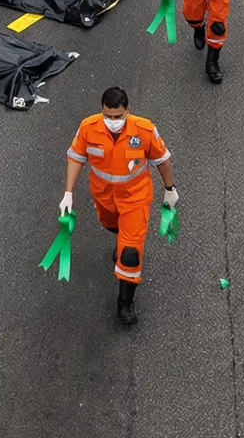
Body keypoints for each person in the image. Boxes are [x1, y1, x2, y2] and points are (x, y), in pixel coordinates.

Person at [61, 86, 176, 326]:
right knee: (110, 225)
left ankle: (124, 304)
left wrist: (170, 189)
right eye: (108, 116)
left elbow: (162, 161)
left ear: (128, 111)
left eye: (118, 116)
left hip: (136, 199)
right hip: (104, 198)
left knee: (130, 253)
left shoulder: (143, 131)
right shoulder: (88, 128)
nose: (112, 121)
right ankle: (120, 239)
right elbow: (76, 157)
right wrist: (68, 193)